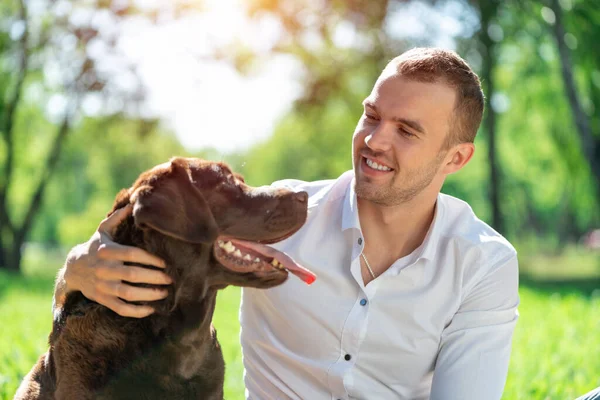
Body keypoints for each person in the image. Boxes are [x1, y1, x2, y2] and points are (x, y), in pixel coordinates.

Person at [53, 47, 519, 400]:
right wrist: (75, 268)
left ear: (456, 157)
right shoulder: (281, 219)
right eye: (371, 116)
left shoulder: (482, 263)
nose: (375, 140)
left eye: (407, 130)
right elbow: (142, 233)